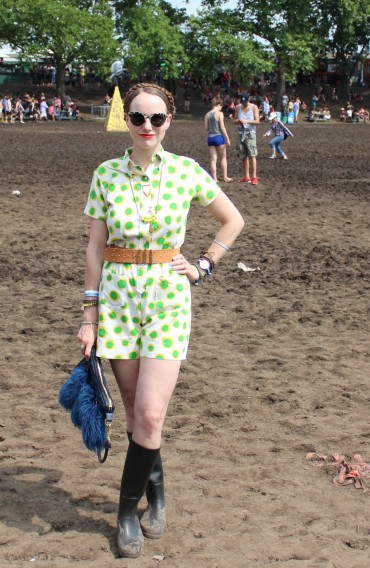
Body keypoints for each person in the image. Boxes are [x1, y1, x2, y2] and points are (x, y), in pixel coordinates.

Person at [77, 82, 244, 558]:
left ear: (169, 121)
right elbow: (95, 248)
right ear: (126, 121)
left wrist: (204, 264)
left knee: (150, 414)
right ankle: (158, 494)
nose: (146, 126)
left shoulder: (187, 172)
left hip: (168, 300)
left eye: (156, 118)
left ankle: (126, 512)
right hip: (117, 303)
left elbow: (233, 220)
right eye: (137, 117)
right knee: (136, 416)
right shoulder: (106, 175)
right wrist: (89, 314)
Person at [204, 97, 232, 182]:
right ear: (219, 105)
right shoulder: (220, 114)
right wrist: (227, 138)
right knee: (223, 157)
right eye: (221, 106)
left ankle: (215, 178)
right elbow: (222, 127)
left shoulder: (207, 114)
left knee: (213, 159)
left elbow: (206, 128)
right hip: (218, 137)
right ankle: (225, 177)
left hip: (210, 138)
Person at [234, 93, 260, 186]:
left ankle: (254, 177)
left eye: (245, 102)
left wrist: (247, 121)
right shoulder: (238, 107)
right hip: (241, 134)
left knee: (252, 154)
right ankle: (246, 176)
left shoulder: (254, 107)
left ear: (249, 100)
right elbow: (235, 120)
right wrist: (238, 121)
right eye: (242, 102)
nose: (244, 104)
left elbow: (257, 121)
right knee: (243, 155)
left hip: (250, 134)